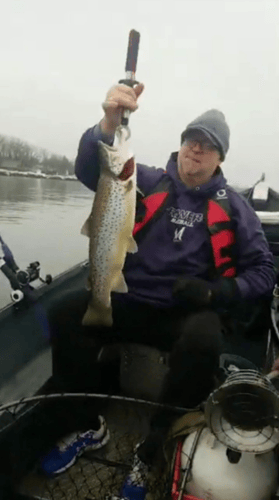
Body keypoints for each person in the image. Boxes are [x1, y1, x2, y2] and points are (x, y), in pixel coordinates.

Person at [44, 82, 276, 476]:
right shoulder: (143, 180)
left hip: (183, 312)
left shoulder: (235, 209)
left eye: (207, 145)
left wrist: (217, 290)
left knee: (205, 340)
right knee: (64, 312)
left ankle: (156, 440)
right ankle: (86, 423)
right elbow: (90, 169)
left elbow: (264, 271)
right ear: (181, 145)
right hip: (129, 298)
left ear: (220, 157)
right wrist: (108, 123)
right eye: (190, 140)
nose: (195, 149)